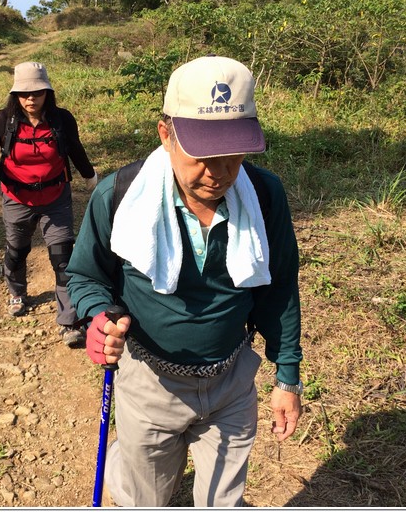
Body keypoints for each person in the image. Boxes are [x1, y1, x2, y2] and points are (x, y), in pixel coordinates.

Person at [66, 55, 303, 506]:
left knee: (222, 502)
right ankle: (130, 459)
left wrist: (287, 378)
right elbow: (84, 274)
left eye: (233, 153)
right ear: (165, 134)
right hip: (149, 380)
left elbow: (279, 291)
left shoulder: (265, 196)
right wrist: (100, 316)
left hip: (231, 381)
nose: (219, 172)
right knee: (144, 498)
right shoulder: (120, 196)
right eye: (202, 154)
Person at [0, 61, 97, 347]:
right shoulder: (4, 119)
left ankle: (70, 322)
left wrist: (91, 178)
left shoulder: (62, 119)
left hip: (56, 197)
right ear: (15, 94)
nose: (31, 99)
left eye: (37, 93)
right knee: (17, 250)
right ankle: (17, 292)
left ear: (47, 93)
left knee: (63, 258)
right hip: (17, 197)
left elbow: (75, 149)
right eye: (24, 93)